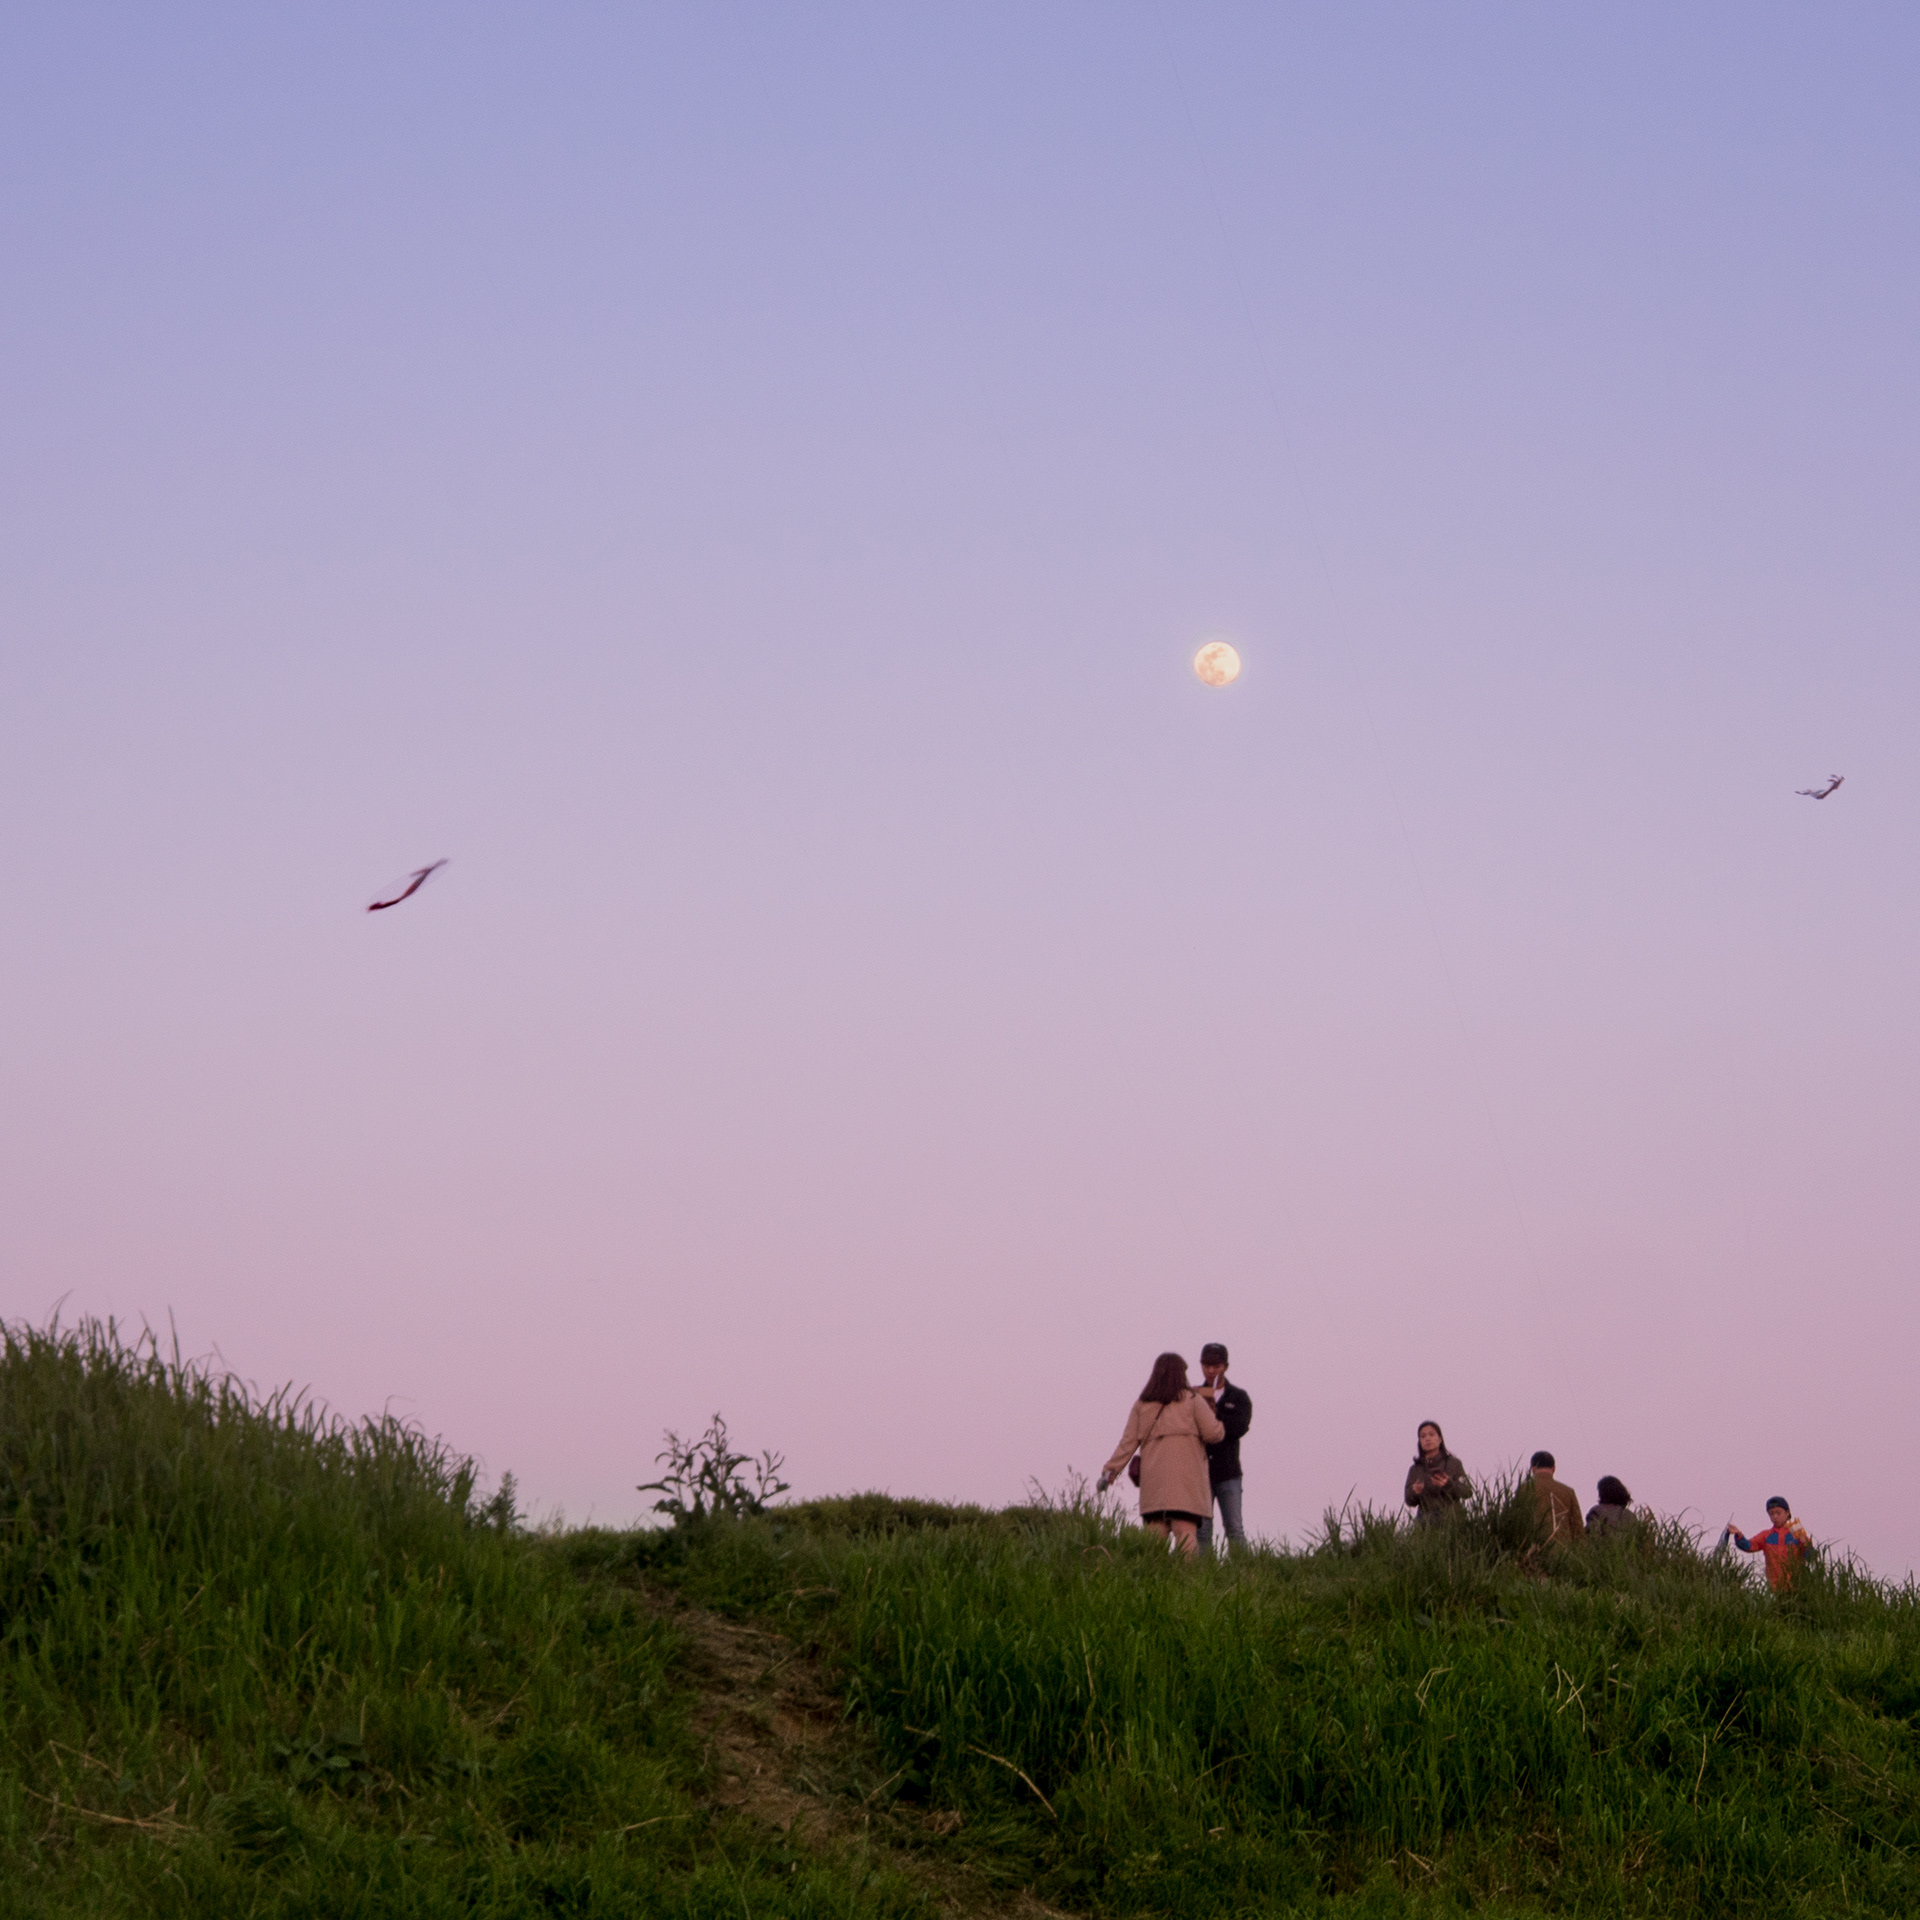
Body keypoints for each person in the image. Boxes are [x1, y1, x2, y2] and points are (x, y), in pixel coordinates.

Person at [1097, 1352, 1225, 1558]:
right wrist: (1212, 1413)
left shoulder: (1142, 1405)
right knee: (1185, 1533)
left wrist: (1110, 1471)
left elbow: (1127, 1443)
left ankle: (1152, 1576)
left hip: (1154, 1483)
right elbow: (1214, 1434)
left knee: (1154, 1539)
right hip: (1186, 1482)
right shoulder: (1193, 1400)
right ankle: (1188, 1577)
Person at [1194, 1342, 1252, 1556]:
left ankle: (1243, 1569)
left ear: (1225, 1367)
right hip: (1200, 1472)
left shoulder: (1238, 1396)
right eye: (1206, 1366)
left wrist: (1214, 1413)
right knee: (1202, 1531)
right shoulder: (1193, 1396)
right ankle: (1203, 1571)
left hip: (1228, 1472)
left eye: (1216, 1366)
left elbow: (1239, 1427)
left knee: (1234, 1527)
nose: (1211, 1371)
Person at [1724, 1498, 1811, 1591]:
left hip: (1797, 1587)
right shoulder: (1766, 1536)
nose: (1775, 1517)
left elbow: (1811, 1557)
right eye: (1771, 1514)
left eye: (1778, 1513)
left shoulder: (1797, 1534)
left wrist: (1806, 1544)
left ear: (1787, 1513)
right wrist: (1738, 1534)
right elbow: (1748, 1546)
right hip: (1775, 1588)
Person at [1404, 1421, 1472, 1525]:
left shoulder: (1453, 1464)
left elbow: (1467, 1492)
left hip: (1452, 1522)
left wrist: (1448, 1485)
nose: (1427, 1439)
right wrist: (1415, 1491)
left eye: (1431, 1434)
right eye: (1423, 1436)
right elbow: (1409, 1500)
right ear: (1420, 1442)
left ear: (1439, 1439)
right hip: (1425, 1525)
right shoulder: (1415, 1469)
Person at [1528, 1451, 1585, 1542]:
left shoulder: (1524, 1490)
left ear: (1533, 1469)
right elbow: (1577, 1527)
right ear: (1554, 1468)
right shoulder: (1568, 1491)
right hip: (1563, 1547)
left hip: (1533, 1546)